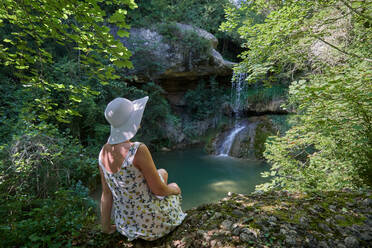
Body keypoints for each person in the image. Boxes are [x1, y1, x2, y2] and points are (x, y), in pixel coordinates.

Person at [98, 96, 187, 241]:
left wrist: (106, 228)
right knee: (172, 186)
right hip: (151, 225)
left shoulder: (103, 153)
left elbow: (106, 194)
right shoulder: (137, 150)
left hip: (125, 226)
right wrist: (175, 189)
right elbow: (159, 190)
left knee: (162, 172)